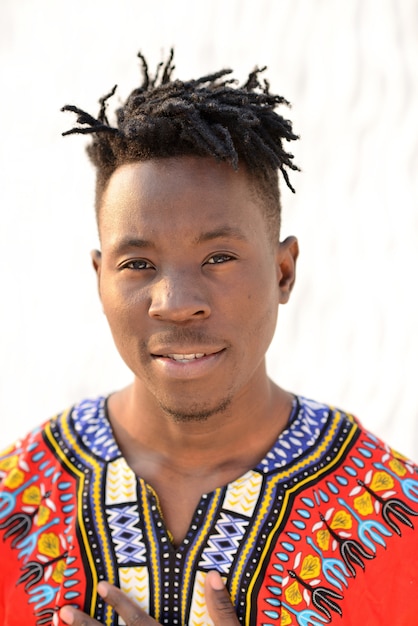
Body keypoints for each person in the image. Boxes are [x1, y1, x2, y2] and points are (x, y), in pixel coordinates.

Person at [0, 50, 417, 626]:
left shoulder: (395, 515)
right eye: (138, 263)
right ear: (99, 281)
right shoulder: (15, 505)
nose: (175, 303)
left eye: (218, 257)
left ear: (283, 272)